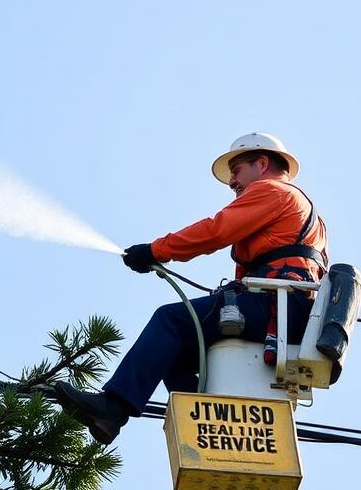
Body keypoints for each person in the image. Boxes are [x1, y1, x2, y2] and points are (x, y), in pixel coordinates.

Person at [55, 133, 329, 445]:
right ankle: (206, 422)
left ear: (262, 163)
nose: (232, 183)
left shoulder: (273, 191)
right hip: (284, 309)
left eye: (236, 170)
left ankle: (113, 408)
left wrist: (157, 250)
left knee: (171, 321)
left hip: (276, 307)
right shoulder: (305, 214)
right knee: (178, 351)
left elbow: (216, 230)